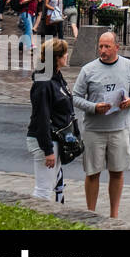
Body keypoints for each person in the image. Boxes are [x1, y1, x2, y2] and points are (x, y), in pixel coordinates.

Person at [71, 31, 130, 219]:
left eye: (107, 46)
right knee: (93, 172)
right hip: (95, 129)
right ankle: (91, 213)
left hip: (119, 128)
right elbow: (76, 97)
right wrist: (94, 107)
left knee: (117, 172)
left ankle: (114, 215)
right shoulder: (88, 69)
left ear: (116, 47)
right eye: (100, 46)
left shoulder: (129, 66)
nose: (102, 50)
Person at [27, 38, 76, 203]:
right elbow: (41, 117)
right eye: (64, 53)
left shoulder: (56, 76)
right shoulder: (44, 83)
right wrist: (47, 150)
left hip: (57, 138)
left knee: (51, 184)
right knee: (43, 190)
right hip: (46, 140)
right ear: (57, 58)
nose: (67, 56)